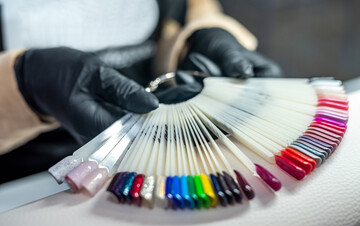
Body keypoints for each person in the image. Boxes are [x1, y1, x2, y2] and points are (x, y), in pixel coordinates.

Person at [0, 0, 282, 182]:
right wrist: (23, 84)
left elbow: (182, 11)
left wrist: (196, 38)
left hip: (162, 156)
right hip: (25, 180)